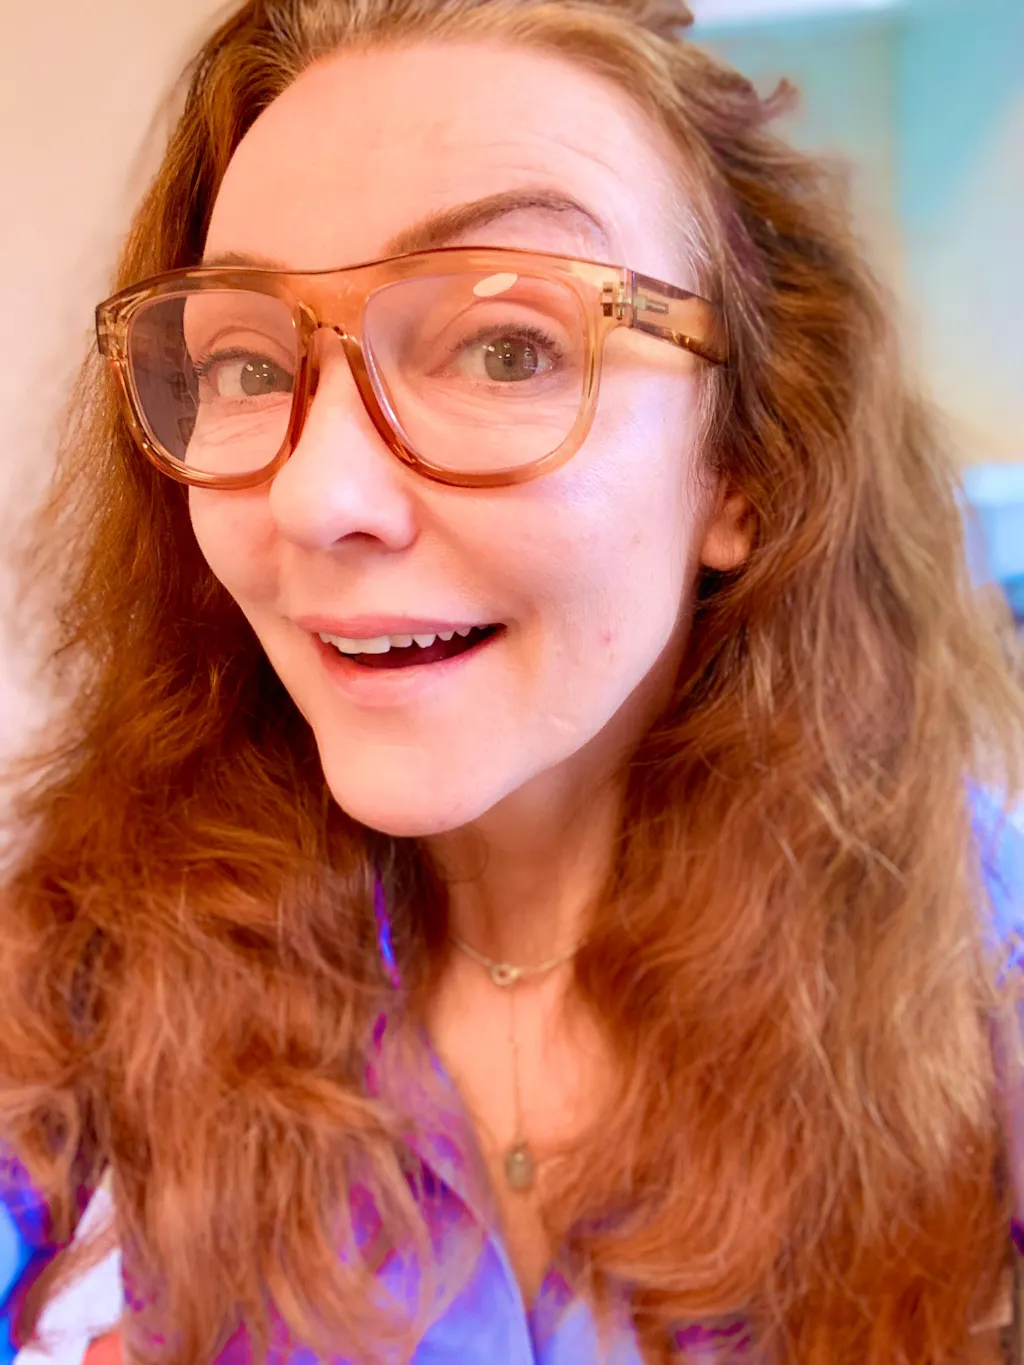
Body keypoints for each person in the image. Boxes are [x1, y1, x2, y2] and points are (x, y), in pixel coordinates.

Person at [2, 0, 1023, 1360]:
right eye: (244, 363)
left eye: (507, 348)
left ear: (743, 465)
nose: (315, 498)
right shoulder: (94, 938)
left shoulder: (972, 956)